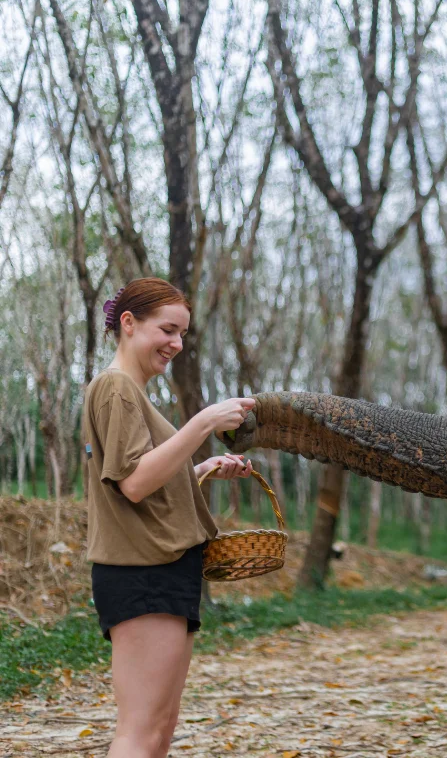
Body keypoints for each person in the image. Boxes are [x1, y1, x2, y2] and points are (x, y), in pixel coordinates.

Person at [81, 277, 256, 758]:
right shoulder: (116, 388)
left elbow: (138, 480)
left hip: (164, 568)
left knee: (158, 730)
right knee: (140, 732)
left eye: (182, 334)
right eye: (168, 330)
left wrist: (199, 469)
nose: (176, 344)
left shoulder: (132, 392)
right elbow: (134, 484)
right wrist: (202, 423)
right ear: (130, 324)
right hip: (142, 573)